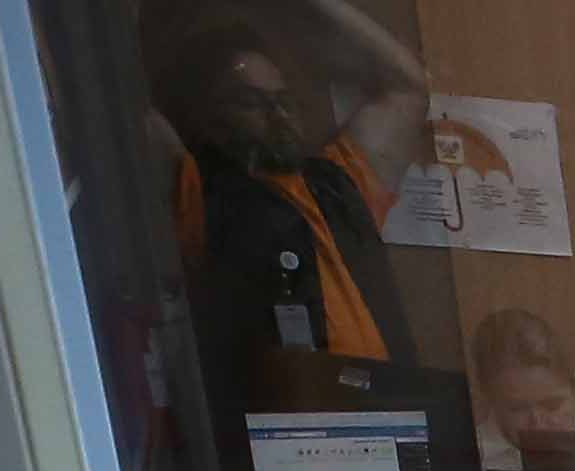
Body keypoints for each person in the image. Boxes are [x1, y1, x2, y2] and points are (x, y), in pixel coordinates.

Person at [159, 9, 424, 407]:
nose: (278, 115)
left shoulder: (340, 181)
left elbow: (407, 85)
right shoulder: (197, 186)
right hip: (283, 426)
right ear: (208, 115)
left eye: (284, 100)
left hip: (383, 418)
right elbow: (114, 98)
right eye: (251, 102)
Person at [466, 305, 575, 469]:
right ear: (489, 399)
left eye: (552, 406)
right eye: (518, 408)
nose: (538, 426)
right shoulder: (463, 464)